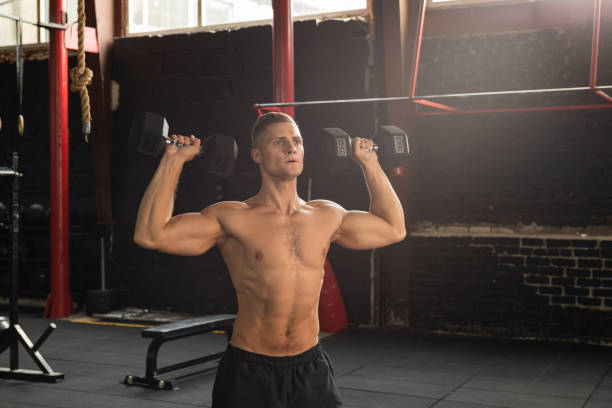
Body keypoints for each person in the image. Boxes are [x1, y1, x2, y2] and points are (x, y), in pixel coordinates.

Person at [133, 112, 406, 408]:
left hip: (310, 366)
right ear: (257, 155)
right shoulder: (233, 217)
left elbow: (393, 229)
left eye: (297, 141)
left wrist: (370, 163)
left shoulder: (327, 216)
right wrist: (172, 160)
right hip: (250, 371)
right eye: (280, 142)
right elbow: (151, 235)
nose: (292, 148)